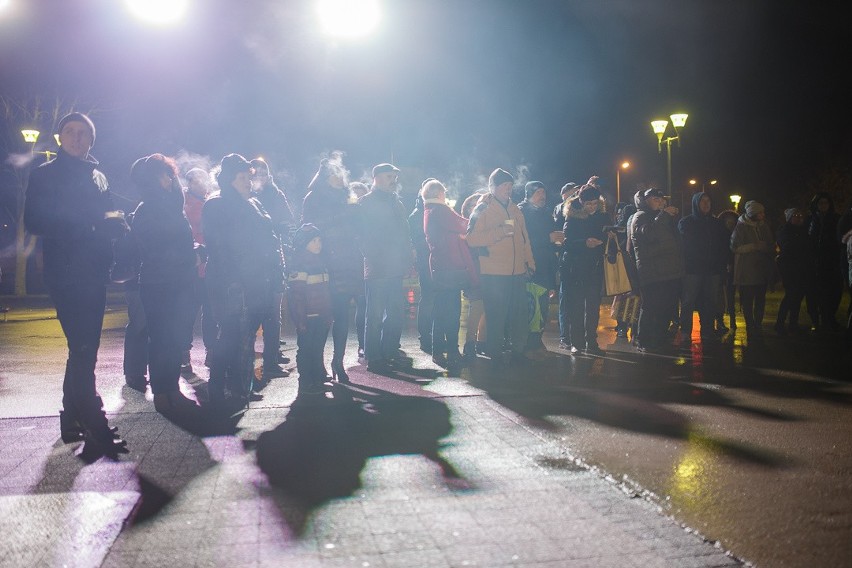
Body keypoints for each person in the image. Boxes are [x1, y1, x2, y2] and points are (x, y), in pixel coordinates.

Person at [23, 112, 128, 457]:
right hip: (66, 271)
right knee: (84, 348)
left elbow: (108, 211)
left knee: (83, 348)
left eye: (83, 133)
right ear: (60, 138)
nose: (76, 137)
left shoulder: (97, 174)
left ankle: (70, 419)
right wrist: (91, 223)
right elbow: (34, 220)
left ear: (91, 140)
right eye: (69, 131)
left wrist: (116, 224)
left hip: (94, 270)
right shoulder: (45, 175)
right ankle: (95, 423)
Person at [203, 154, 284, 408]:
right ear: (229, 179)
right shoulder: (216, 205)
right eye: (242, 177)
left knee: (247, 335)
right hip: (232, 284)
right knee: (228, 335)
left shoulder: (254, 203)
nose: (249, 181)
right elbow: (219, 247)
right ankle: (217, 388)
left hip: (257, 280)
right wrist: (234, 280)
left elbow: (267, 237)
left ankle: (243, 382)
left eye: (249, 176)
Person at [129, 154, 201, 415]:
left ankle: (171, 388)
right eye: (164, 174)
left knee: (174, 338)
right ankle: (163, 393)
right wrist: (190, 255)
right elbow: (156, 249)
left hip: (179, 281)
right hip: (159, 283)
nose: (170, 179)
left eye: (170, 173)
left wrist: (192, 251)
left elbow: (175, 244)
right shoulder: (148, 210)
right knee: (161, 339)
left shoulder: (171, 207)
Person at [301, 158, 363, 382]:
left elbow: (356, 228)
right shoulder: (314, 198)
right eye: (336, 174)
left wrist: (358, 216)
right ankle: (316, 364)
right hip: (326, 261)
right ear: (326, 177)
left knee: (342, 315)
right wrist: (346, 214)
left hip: (349, 261)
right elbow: (310, 227)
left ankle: (338, 361)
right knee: (323, 317)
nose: (341, 177)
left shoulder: (347, 197)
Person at [466, 168, 536, 364]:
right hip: (494, 273)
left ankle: (518, 351)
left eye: (510, 185)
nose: (508, 189)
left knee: (519, 314)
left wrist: (530, 261)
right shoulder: (482, 208)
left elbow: (524, 239)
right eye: (504, 185)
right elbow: (471, 239)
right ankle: (494, 352)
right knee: (496, 315)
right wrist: (499, 232)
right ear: (493, 187)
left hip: (517, 272)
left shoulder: (515, 209)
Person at [358, 163, 414, 372]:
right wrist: (374, 258)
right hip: (377, 268)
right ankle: (374, 356)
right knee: (374, 315)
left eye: (395, 177)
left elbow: (404, 232)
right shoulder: (366, 203)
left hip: (395, 266)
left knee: (395, 312)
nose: (394, 180)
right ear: (377, 178)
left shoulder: (396, 203)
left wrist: (407, 256)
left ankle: (390, 351)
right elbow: (362, 236)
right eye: (390, 176)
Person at [423, 179, 478, 368]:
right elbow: (463, 224)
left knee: (440, 311)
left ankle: (438, 350)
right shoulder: (440, 210)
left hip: (440, 267)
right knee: (452, 312)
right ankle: (452, 351)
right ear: (440, 194)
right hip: (451, 268)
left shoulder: (429, 211)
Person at [251, 158, 294, 376]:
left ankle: (272, 355)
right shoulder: (248, 197)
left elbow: (287, 219)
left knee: (274, 312)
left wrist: (284, 234)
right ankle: (254, 362)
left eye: (264, 172)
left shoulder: (275, 193)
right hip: (255, 261)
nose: (261, 176)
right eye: (257, 172)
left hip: (275, 256)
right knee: (256, 314)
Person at [627, 188, 684, 353]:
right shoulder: (640, 216)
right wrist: (664, 216)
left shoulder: (663, 217)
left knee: (666, 307)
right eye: (655, 199)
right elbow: (649, 235)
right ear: (646, 201)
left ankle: (659, 338)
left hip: (669, 271)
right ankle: (643, 339)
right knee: (651, 306)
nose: (660, 202)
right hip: (651, 271)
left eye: (661, 199)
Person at [561, 185, 610, 354]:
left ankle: (592, 341)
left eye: (595, 203)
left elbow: (608, 235)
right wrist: (584, 243)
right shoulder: (572, 216)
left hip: (594, 268)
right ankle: (577, 342)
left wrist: (609, 236)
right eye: (588, 204)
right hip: (575, 269)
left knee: (593, 308)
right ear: (581, 202)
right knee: (576, 308)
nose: (592, 207)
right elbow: (566, 242)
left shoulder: (603, 216)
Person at [677, 191, 730, 341]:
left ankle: (707, 329)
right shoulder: (686, 222)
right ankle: (686, 330)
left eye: (708, 201)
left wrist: (722, 264)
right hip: (692, 270)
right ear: (696, 203)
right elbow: (685, 246)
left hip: (712, 271)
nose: (706, 204)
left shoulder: (717, 224)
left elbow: (724, 245)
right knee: (688, 301)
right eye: (702, 201)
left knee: (710, 301)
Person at [287, 224, 333, 397]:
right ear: (303, 243)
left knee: (318, 347)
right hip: (308, 316)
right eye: (313, 241)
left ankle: (318, 376)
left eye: (319, 240)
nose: (318, 244)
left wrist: (328, 313)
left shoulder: (321, 263)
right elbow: (297, 296)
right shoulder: (300, 264)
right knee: (306, 349)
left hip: (320, 314)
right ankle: (306, 381)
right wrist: (301, 320)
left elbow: (326, 293)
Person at [518, 181, 560, 350]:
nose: (542, 196)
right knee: (529, 307)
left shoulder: (546, 213)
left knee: (542, 307)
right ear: (529, 194)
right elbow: (521, 241)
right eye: (538, 193)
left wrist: (557, 242)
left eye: (544, 192)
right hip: (528, 268)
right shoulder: (521, 212)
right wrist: (547, 239)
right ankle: (526, 343)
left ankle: (536, 339)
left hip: (544, 267)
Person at [184, 167, 217, 367]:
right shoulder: (184, 202)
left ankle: (211, 350)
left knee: (210, 309)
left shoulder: (209, 201)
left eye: (205, 179)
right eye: (198, 180)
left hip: (209, 264)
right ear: (190, 183)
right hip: (192, 264)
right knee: (188, 310)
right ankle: (183, 353)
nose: (203, 183)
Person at [730, 200, 775, 341]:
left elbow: (770, 244)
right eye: (760, 213)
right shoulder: (741, 227)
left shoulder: (764, 226)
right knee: (748, 301)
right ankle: (750, 326)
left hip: (761, 271)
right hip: (746, 272)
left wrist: (766, 247)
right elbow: (734, 246)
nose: (762, 215)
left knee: (761, 300)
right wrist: (753, 246)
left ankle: (758, 324)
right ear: (753, 214)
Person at [774, 208, 817, 334]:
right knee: (791, 295)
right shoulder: (785, 230)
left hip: (802, 268)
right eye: (796, 216)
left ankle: (793, 323)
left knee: (798, 296)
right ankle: (780, 323)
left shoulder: (804, 231)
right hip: (790, 268)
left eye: (800, 216)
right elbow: (788, 247)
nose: (799, 218)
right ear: (790, 218)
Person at [808, 192, 843, 332]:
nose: (823, 206)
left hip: (832, 261)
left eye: (825, 203)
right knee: (819, 293)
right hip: (815, 263)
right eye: (820, 203)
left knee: (834, 292)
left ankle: (830, 317)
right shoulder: (811, 220)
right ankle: (822, 319)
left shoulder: (836, 219)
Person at [459, 191, 486, 358]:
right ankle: (470, 342)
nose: (475, 207)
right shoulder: (464, 224)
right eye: (472, 204)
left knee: (486, 306)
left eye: (478, 204)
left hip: (488, 269)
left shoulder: (487, 223)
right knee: (477, 304)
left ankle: (481, 341)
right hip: (473, 269)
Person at [409, 186, 434, 354]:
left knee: (433, 298)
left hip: (434, 260)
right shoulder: (418, 214)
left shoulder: (429, 211)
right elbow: (417, 241)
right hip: (427, 261)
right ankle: (425, 335)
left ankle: (431, 334)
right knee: (428, 297)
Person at [349, 181, 369, 358]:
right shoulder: (346, 214)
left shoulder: (368, 214)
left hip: (368, 262)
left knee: (368, 304)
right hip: (351, 265)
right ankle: (363, 343)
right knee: (362, 304)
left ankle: (370, 342)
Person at [716, 209, 740, 331]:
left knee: (731, 294)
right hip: (721, 268)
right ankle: (720, 320)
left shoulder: (738, 234)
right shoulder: (720, 234)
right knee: (720, 294)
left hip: (734, 267)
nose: (730, 224)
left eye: (732, 222)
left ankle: (732, 318)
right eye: (728, 222)